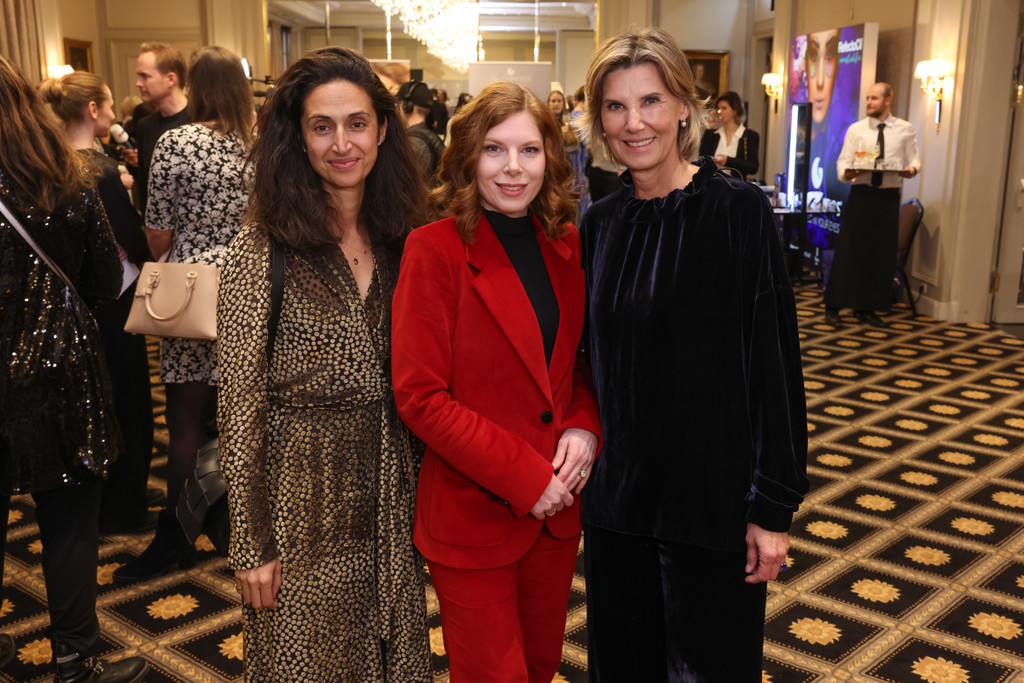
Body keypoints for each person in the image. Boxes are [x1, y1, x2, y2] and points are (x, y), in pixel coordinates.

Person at [576, 27, 808, 680]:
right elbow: (585, 362)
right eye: (616, 106)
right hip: (619, 511)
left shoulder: (739, 212)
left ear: (684, 106)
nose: (634, 123)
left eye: (650, 101)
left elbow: (775, 369)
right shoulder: (599, 224)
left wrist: (773, 507)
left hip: (714, 511)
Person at [219, 46, 431, 681]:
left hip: (391, 504)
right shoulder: (262, 247)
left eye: (357, 123)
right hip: (299, 509)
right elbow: (238, 406)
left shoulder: (405, 240)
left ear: (382, 129)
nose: (342, 144)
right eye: (322, 126)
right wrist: (250, 543)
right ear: (299, 136)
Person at [391, 80, 601, 683]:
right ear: (467, 158)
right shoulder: (433, 249)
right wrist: (525, 477)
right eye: (494, 149)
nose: (513, 167)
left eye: (529, 150)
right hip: (474, 511)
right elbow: (420, 396)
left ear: (550, 158)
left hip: (556, 510)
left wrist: (584, 427)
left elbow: (579, 362)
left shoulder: (566, 243)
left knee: (539, 666)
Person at [0, 53, 150, 683]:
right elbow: (105, 282)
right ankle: (75, 661)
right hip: (59, 371)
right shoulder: (67, 176)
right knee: (67, 521)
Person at [113, 45, 254, 582]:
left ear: (195, 87)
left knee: (187, 422)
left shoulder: (177, 142)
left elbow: (157, 231)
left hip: (191, 290)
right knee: (245, 417)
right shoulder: (262, 144)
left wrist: (189, 248)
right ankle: (242, 528)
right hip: (250, 286)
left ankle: (175, 537)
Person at [41, 71, 157, 536]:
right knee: (129, 401)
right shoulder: (100, 170)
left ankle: (108, 497)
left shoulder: (49, 163)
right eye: (107, 105)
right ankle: (125, 506)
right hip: (114, 297)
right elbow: (132, 238)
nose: (112, 113)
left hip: (74, 299)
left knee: (93, 400)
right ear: (92, 110)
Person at [824, 82, 920, 327]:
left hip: (888, 198)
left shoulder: (905, 129)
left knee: (880, 255)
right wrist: (848, 173)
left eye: (874, 98)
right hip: (861, 195)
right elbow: (843, 163)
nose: (869, 102)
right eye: (867, 98)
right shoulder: (856, 129)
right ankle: (833, 307)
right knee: (848, 252)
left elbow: (914, 160)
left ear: (888, 100)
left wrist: (911, 170)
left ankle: (866, 308)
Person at [127, 41, 191, 213]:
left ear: (171, 79)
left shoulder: (200, 120)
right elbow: (145, 188)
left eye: (145, 76)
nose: (138, 83)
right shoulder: (145, 126)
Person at [699, 90, 760, 178]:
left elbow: (753, 167)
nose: (720, 112)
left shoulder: (750, 136)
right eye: (718, 109)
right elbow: (701, 159)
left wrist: (728, 161)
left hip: (737, 185)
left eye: (724, 108)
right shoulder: (713, 134)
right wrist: (709, 127)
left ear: (735, 110)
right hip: (713, 184)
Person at [397, 79, 443, 182]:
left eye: (397, 104)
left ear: (406, 106)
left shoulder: (415, 143)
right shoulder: (429, 136)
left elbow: (406, 186)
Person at [547, 88, 579, 157]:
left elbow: (574, 145)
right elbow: (545, 144)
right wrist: (559, 133)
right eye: (553, 101)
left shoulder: (565, 118)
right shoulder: (546, 121)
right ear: (549, 103)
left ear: (563, 103)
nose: (556, 104)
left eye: (559, 101)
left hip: (566, 159)